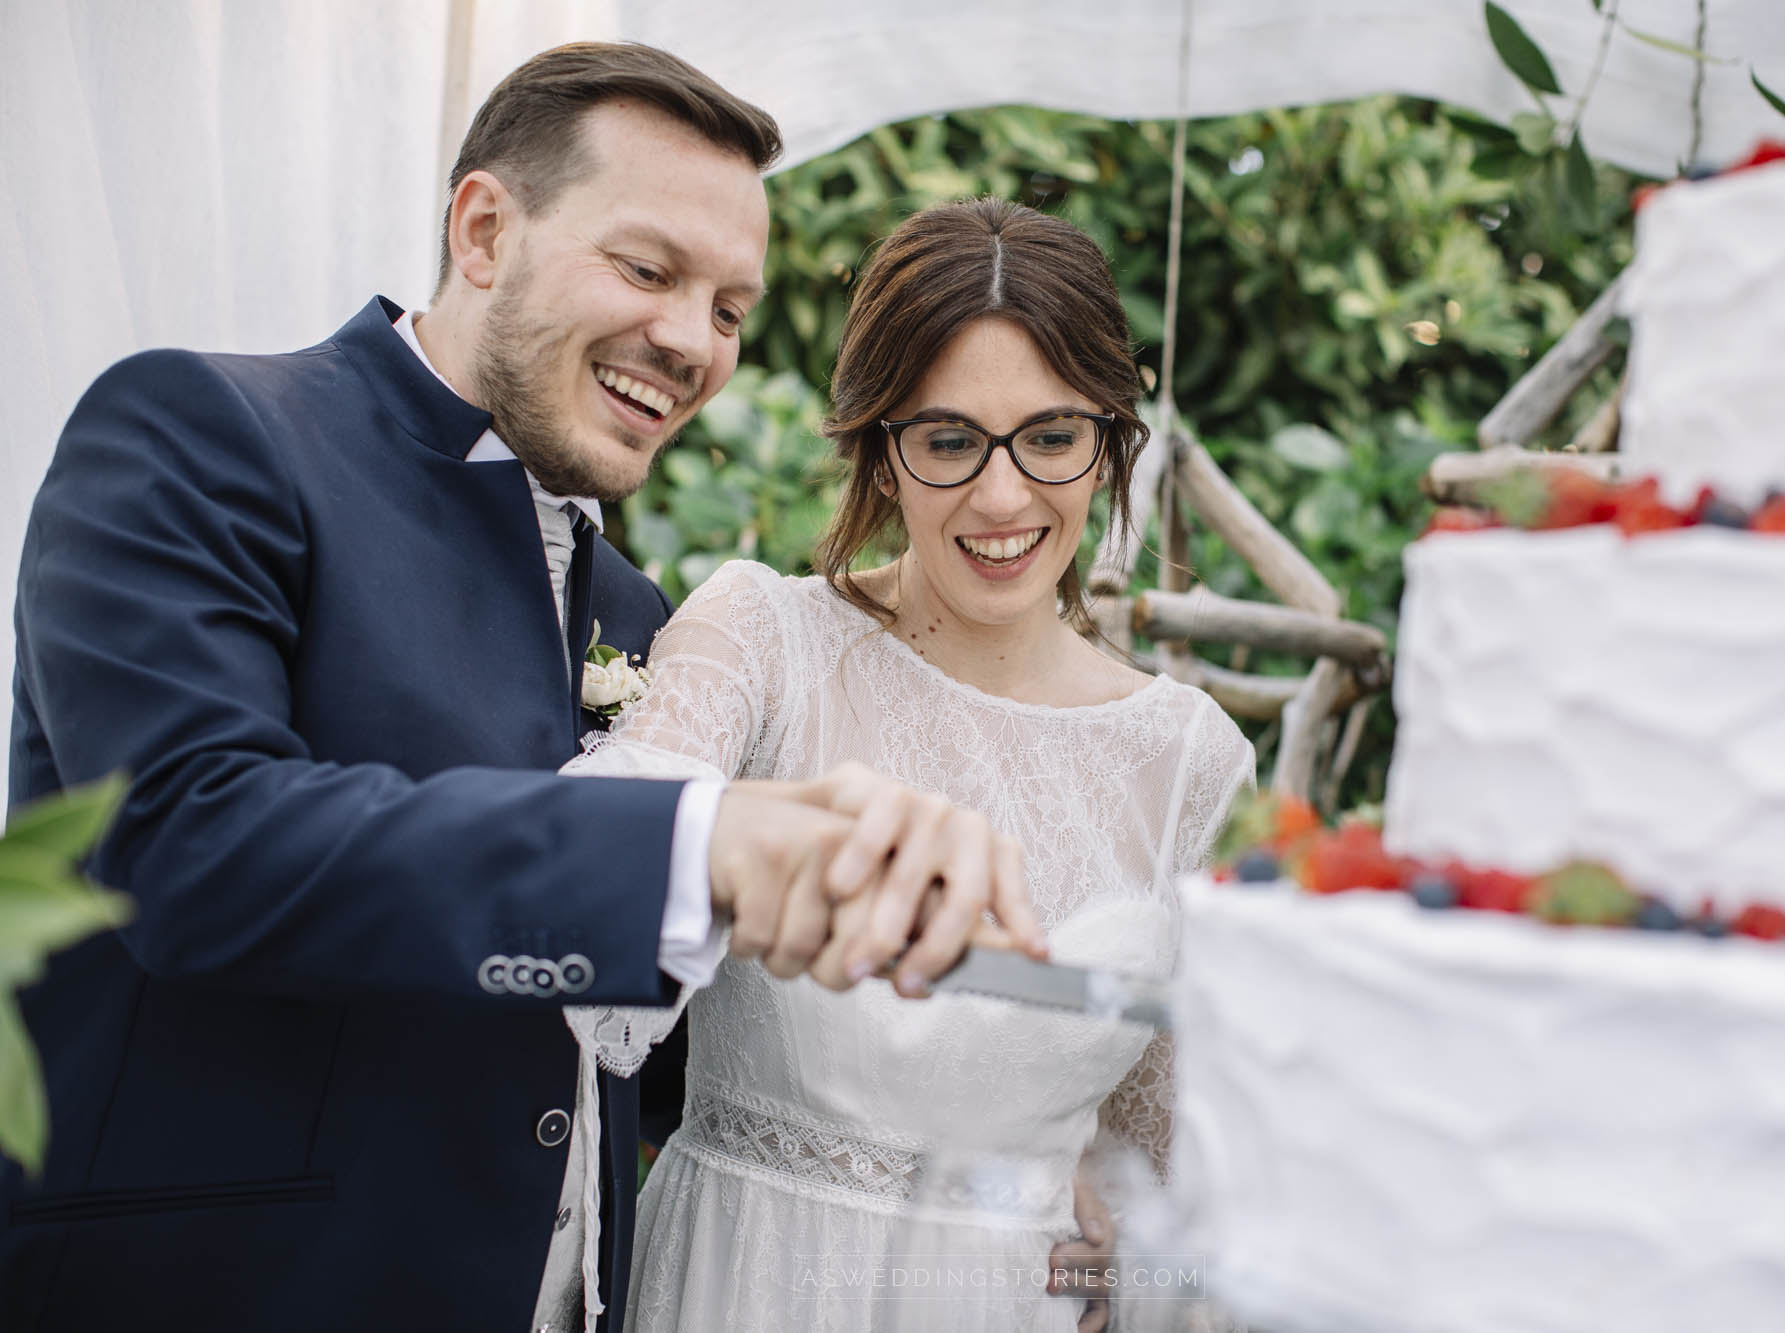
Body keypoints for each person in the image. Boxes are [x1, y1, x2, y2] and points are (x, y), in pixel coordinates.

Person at [1, 44, 1042, 1332]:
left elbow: (601, 1046)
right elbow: (183, 844)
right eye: (649, 269)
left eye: (728, 307)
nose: (689, 343)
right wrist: (692, 843)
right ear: (485, 230)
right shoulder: (200, 434)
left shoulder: (632, 611)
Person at [564, 198, 1256, 1331]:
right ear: (880, 455)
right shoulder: (759, 640)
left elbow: (1165, 1171)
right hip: (743, 1285)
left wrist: (1116, 1264)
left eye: (1049, 436)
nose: (1000, 497)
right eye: (946, 440)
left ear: (1108, 443)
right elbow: (584, 888)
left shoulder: (1190, 765)